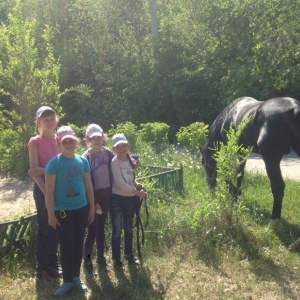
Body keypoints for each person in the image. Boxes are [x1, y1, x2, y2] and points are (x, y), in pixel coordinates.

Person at [45, 126, 94, 297]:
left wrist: (91, 208)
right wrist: (51, 214)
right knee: (66, 246)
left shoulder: (82, 161)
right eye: (64, 142)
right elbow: (49, 191)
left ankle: (76, 277)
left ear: (76, 142)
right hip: (62, 212)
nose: (68, 144)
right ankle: (66, 281)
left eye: (71, 141)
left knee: (78, 244)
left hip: (81, 209)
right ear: (59, 143)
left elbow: (88, 186)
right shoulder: (54, 163)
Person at [27, 106, 61, 278]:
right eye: (45, 119)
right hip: (42, 190)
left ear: (56, 121)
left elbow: (63, 166)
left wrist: (43, 169)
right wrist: (47, 192)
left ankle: (53, 261)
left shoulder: (60, 140)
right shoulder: (35, 142)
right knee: (45, 224)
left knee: (56, 224)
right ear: (39, 122)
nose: (49, 122)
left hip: (59, 189)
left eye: (52, 118)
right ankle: (43, 264)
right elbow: (34, 172)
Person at [110, 133, 147, 270]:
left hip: (130, 199)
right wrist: (137, 193)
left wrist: (136, 184)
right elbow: (120, 183)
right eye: (118, 147)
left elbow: (129, 178)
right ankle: (116, 259)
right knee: (117, 229)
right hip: (117, 199)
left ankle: (129, 254)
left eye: (123, 146)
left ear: (127, 146)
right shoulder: (114, 162)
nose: (121, 149)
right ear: (114, 149)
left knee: (129, 228)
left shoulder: (129, 160)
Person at [82, 123, 114, 274]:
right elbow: (84, 182)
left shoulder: (107, 152)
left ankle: (101, 259)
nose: (97, 140)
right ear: (88, 139)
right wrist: (93, 202)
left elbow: (117, 163)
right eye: (93, 137)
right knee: (92, 230)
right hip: (91, 196)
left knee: (101, 228)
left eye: (99, 137)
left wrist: (132, 164)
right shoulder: (85, 158)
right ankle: (87, 261)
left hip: (105, 194)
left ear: (103, 137)